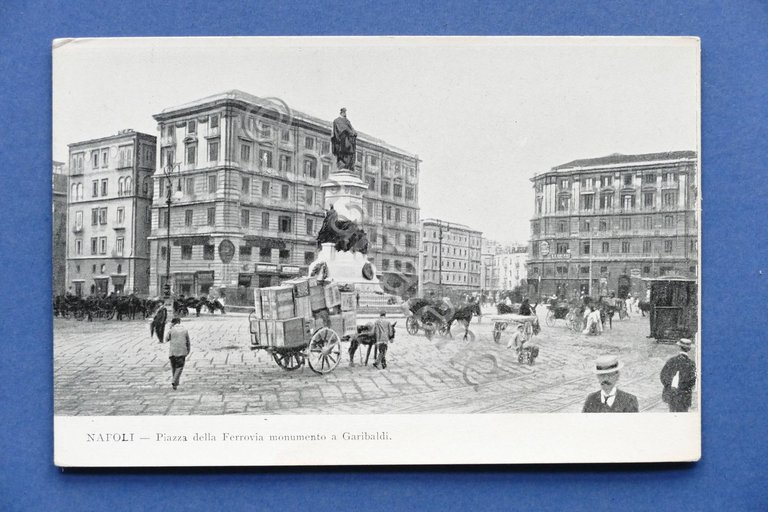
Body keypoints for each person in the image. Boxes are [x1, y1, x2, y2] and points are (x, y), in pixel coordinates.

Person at [660, 338, 697, 412]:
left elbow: (663, 375)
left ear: (679, 347)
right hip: (684, 397)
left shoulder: (671, 361)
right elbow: (692, 381)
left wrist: (669, 386)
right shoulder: (691, 364)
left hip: (671, 395)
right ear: (689, 349)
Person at [164, 315, 191, 390]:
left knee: (174, 368)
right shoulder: (185, 330)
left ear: (173, 323)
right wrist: (188, 350)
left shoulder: (171, 330)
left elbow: (166, 339)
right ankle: (174, 381)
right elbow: (188, 341)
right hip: (181, 352)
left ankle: (175, 384)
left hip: (172, 353)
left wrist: (170, 329)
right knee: (179, 367)